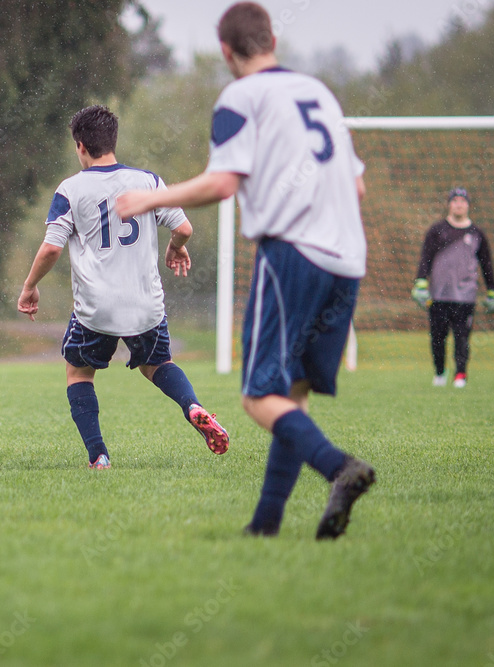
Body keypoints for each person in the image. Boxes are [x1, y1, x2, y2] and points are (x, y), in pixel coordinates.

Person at [116, 2, 374, 539]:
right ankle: (265, 526)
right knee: (291, 394)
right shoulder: (319, 94)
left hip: (292, 256)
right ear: (271, 39)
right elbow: (356, 187)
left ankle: (338, 468)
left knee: (259, 396)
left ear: (227, 52)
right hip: (348, 259)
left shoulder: (242, 96)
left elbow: (223, 183)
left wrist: (149, 199)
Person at [17, 105, 230, 469]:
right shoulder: (147, 181)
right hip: (146, 305)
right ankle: (192, 406)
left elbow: (52, 246)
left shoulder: (71, 188)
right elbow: (184, 227)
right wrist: (176, 247)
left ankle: (98, 455)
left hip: (96, 309)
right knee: (158, 363)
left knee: (79, 373)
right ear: (112, 141)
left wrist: (29, 287)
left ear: (81, 146)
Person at [412, 187, 494, 388]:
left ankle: (460, 374)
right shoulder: (437, 230)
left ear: (468, 205)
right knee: (437, 337)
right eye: (455, 200)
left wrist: (492, 290)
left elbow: (486, 264)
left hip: (466, 296)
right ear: (449, 204)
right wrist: (420, 281)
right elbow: (425, 258)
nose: (459, 204)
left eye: (463, 201)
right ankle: (440, 373)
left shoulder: (477, 233)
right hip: (439, 294)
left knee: (462, 337)